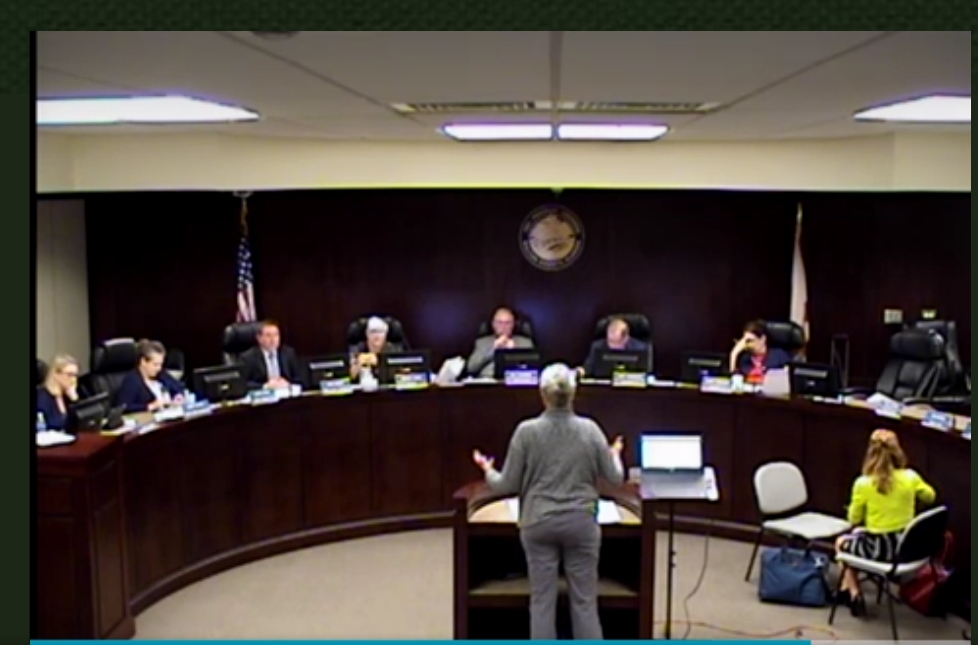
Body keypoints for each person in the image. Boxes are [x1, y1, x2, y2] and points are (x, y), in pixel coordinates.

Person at [472, 363, 625, 639]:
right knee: (585, 603)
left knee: (542, 602)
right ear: (573, 394)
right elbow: (616, 477)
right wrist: (614, 454)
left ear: (542, 395)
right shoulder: (590, 430)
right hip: (582, 521)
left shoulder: (526, 432)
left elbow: (507, 484)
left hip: (537, 522)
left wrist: (487, 470)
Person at [834, 429, 937, 616]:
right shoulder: (910, 477)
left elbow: (853, 519)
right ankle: (845, 590)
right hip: (906, 548)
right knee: (856, 537)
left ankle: (853, 593)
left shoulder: (863, 483)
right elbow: (930, 496)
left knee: (842, 543)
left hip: (878, 550)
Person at [116, 340, 186, 413]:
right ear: (143, 361)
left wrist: (178, 396)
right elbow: (124, 407)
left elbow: (178, 386)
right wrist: (150, 406)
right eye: (155, 364)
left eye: (161, 364)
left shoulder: (161, 374)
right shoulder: (132, 380)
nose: (159, 368)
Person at [466, 307, 535, 378]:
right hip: (488, 380)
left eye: (508, 323)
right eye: (499, 322)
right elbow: (471, 368)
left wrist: (513, 353)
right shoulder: (482, 343)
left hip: (515, 380)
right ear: (493, 324)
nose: (503, 326)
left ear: (513, 324)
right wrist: (493, 350)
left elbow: (532, 370)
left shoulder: (525, 343)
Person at [239, 320, 301, 390]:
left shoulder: (288, 353)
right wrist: (265, 386)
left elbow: (298, 379)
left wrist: (288, 384)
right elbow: (244, 384)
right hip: (263, 394)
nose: (273, 339)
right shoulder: (249, 357)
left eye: (276, 335)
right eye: (268, 335)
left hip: (285, 391)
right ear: (259, 338)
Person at [728, 319, 792, 384]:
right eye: (745, 341)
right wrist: (734, 354)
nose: (747, 344)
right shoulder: (745, 358)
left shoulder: (779, 356)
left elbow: (789, 380)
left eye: (750, 341)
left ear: (763, 339)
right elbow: (735, 382)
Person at [581, 317, 649, 377]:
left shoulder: (640, 348)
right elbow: (588, 369)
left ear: (626, 338)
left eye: (616, 342)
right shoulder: (597, 347)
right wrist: (580, 371)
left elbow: (645, 374)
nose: (612, 346)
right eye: (610, 341)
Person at [36, 354, 80, 431]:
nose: (73, 380)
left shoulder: (69, 395)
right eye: (69, 375)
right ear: (55, 374)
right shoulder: (41, 397)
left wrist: (75, 400)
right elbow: (50, 425)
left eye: (75, 375)